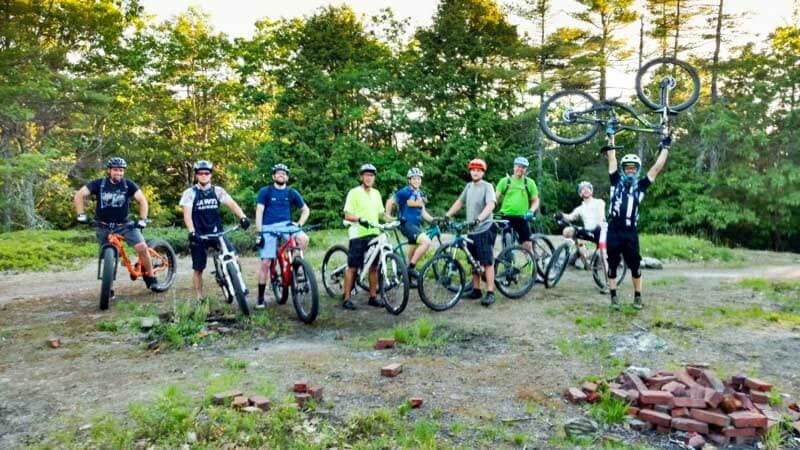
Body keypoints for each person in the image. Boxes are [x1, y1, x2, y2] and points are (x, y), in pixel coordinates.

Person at [605, 136, 671, 310]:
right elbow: (612, 158)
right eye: (628, 168)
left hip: (630, 231)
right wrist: (611, 136)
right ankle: (613, 297)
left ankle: (638, 297)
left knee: (635, 264)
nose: (630, 171)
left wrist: (665, 148)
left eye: (633, 168)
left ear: (637, 170)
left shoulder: (641, 186)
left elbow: (656, 168)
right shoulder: (615, 181)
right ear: (623, 169)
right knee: (612, 264)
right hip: (614, 228)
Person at [74, 157, 157, 290]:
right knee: (109, 256)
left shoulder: (128, 185)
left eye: (121, 170)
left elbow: (142, 200)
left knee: (142, 247)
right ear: (109, 171)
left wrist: (143, 219)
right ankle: (109, 289)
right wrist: (81, 215)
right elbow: (79, 195)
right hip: (103, 226)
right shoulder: (99, 184)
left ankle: (151, 277)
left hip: (124, 225)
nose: (118, 173)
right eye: (115, 170)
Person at [179, 160, 250, 301]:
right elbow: (187, 215)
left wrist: (242, 217)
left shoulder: (217, 191)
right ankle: (199, 297)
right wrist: (191, 231)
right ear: (196, 175)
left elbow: (231, 203)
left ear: (211, 175)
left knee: (234, 257)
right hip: (199, 235)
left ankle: (239, 284)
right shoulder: (190, 193)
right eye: (200, 173)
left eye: (206, 173)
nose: (203, 175)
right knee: (198, 268)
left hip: (217, 232)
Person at [254, 163, 310, 308]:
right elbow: (259, 212)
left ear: (287, 177)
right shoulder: (265, 191)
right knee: (266, 263)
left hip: (287, 225)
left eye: (284, 173)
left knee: (304, 239)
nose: (281, 175)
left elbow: (305, 210)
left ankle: (295, 267)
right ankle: (260, 298)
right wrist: (259, 232)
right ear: (273, 176)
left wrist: (299, 224)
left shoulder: (291, 193)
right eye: (278, 173)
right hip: (268, 227)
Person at [445, 158, 497, 307]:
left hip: (484, 228)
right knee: (473, 260)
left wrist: (479, 219)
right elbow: (459, 202)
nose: (475, 172)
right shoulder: (468, 186)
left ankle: (490, 292)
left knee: (487, 261)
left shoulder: (487, 186)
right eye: (473, 170)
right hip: (471, 230)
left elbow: (491, 205)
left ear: (483, 172)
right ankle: (476, 289)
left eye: (478, 170)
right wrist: (447, 215)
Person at [341, 163, 385, 310]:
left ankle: (372, 297)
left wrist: (396, 219)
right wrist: (359, 219)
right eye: (366, 175)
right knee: (353, 267)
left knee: (373, 267)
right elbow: (347, 215)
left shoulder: (377, 194)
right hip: (358, 233)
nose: (369, 178)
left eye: (371, 175)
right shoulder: (354, 193)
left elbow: (382, 214)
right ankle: (347, 298)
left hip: (374, 233)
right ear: (361, 177)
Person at [385, 167, 435, 283]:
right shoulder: (405, 191)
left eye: (418, 179)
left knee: (411, 255)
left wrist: (434, 220)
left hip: (415, 226)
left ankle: (406, 277)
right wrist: (388, 216)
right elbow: (390, 201)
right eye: (414, 178)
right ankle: (411, 268)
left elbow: (423, 213)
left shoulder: (420, 194)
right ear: (409, 180)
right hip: (406, 224)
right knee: (426, 242)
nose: (417, 181)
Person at [556, 181, 606, 268]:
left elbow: (601, 216)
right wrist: (561, 215)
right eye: (582, 189)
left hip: (600, 231)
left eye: (588, 188)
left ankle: (578, 257)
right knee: (568, 231)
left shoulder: (599, 202)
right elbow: (570, 217)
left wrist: (599, 224)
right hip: (588, 232)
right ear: (580, 194)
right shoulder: (580, 208)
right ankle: (586, 263)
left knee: (605, 256)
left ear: (591, 191)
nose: (585, 190)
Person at [495, 156, 540, 254]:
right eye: (518, 166)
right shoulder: (505, 181)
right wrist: (489, 211)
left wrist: (531, 211)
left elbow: (535, 200)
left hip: (522, 217)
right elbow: (495, 199)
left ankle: (531, 261)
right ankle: (508, 259)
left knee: (527, 245)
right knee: (507, 239)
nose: (520, 169)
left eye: (523, 167)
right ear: (514, 167)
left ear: (526, 169)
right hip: (506, 216)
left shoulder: (529, 183)